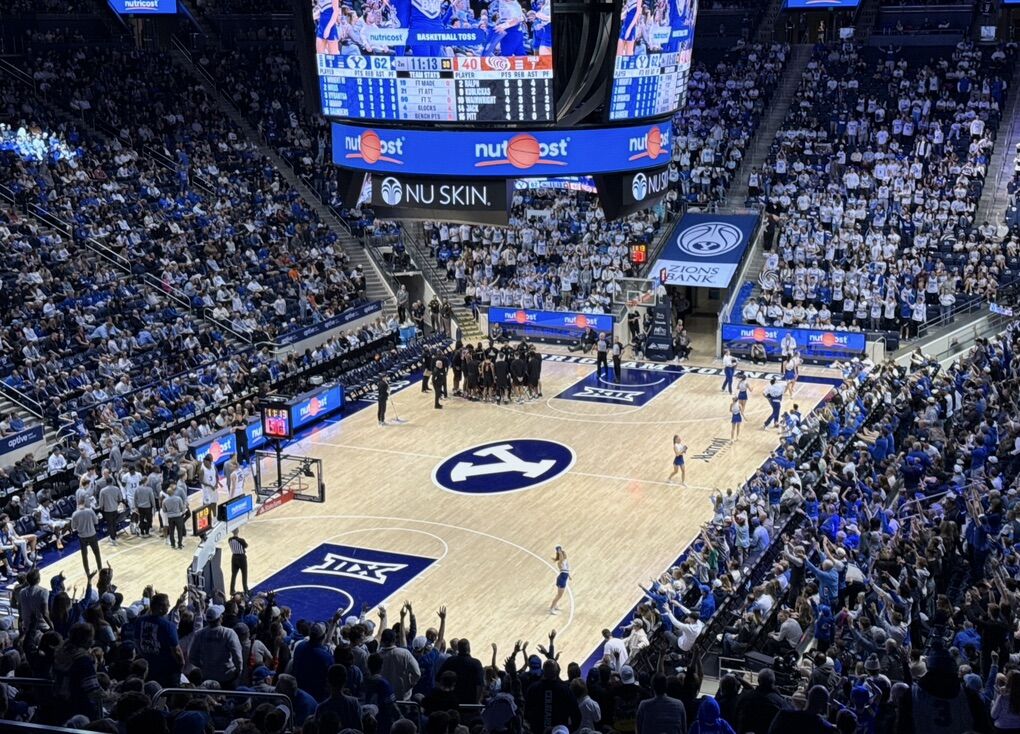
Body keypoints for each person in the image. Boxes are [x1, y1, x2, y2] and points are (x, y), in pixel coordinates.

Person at [133, 592, 184, 688]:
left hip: (149, 667)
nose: (169, 606)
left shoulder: (140, 620)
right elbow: (176, 651)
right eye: (167, 604)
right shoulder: (168, 626)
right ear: (160, 608)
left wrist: (144, 655)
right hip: (167, 670)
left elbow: (136, 641)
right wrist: (181, 664)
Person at [190, 604, 242, 688]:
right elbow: (237, 656)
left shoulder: (199, 634)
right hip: (227, 677)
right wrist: (238, 671)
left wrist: (204, 667)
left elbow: (192, 657)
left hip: (207, 677)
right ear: (220, 617)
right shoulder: (229, 633)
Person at [70, 498, 101, 574]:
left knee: (84, 555)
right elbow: (96, 521)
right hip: (92, 534)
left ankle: (87, 571)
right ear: (84, 503)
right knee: (97, 553)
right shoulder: (90, 511)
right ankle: (100, 568)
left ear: (77, 504)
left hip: (82, 537)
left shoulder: (75, 514)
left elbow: (73, 527)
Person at [97, 476, 123, 547]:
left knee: (110, 524)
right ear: (112, 482)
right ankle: (114, 536)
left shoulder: (102, 491)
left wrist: (101, 508)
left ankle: (113, 538)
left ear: (106, 483)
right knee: (114, 523)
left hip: (107, 510)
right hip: (115, 509)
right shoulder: (116, 488)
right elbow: (120, 498)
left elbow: (101, 503)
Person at [229, 528, 249, 595]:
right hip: (241, 558)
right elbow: (246, 545)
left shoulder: (229, 540)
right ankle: (246, 591)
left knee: (233, 575)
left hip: (234, 557)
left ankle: (232, 591)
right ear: (238, 531)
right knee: (244, 575)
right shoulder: (241, 540)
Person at [550, 545, 570, 615]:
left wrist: (569, 576)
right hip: (561, 579)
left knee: (559, 595)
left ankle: (555, 605)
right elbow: (561, 557)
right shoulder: (560, 562)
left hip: (563, 578)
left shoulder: (565, 561)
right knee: (559, 595)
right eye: (563, 554)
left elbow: (567, 570)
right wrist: (559, 551)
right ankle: (552, 608)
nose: (565, 555)